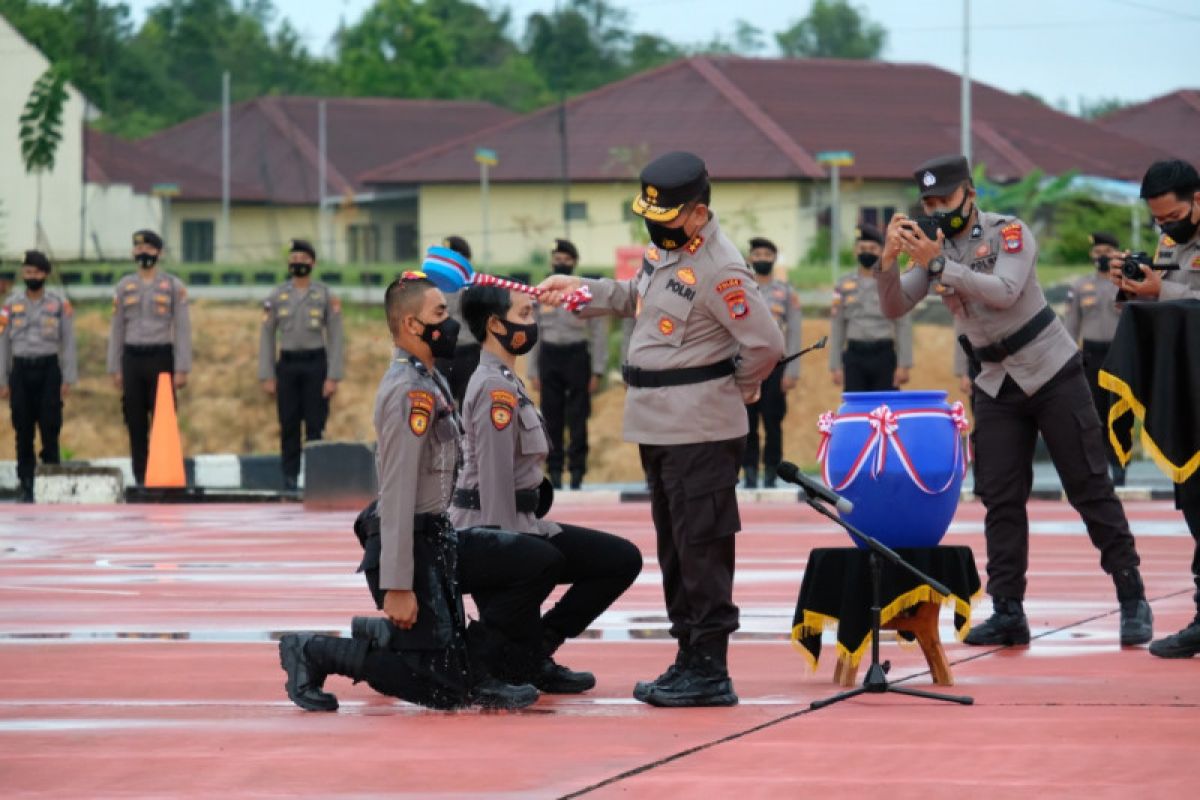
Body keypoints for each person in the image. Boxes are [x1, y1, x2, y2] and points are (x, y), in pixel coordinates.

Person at [875, 154, 1153, 648]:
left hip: (1051, 369)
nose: (938, 211)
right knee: (1000, 497)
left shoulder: (1009, 232)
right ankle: (1008, 609)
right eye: (929, 203)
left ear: (970, 195)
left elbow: (1003, 291)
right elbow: (895, 305)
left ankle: (1132, 595)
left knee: (1088, 484)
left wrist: (938, 264)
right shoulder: (933, 249)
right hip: (996, 381)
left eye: (946, 200)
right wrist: (889, 264)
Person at [538, 151, 785, 706]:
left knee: (702, 549)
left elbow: (766, 345)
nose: (655, 224)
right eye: (649, 214)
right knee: (676, 551)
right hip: (659, 425)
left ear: (697, 214)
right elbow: (635, 296)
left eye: (666, 215)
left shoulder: (722, 268)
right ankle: (688, 656)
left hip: (699, 427)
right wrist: (580, 288)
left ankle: (710, 669)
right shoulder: (669, 248)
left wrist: (738, 387)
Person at [279, 274, 565, 712]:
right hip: (409, 542)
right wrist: (397, 584)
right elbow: (395, 494)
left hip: (436, 536)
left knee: (533, 564)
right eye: (439, 314)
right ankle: (314, 651)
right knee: (443, 689)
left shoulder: (429, 380)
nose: (450, 323)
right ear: (412, 325)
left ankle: (408, 644)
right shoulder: (409, 391)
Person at [450, 284, 642, 692]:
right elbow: (494, 480)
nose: (532, 323)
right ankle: (515, 656)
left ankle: (536, 647)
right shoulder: (493, 388)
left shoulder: (508, 380)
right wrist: (509, 552)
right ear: (494, 324)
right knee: (544, 562)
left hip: (524, 520)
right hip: (491, 526)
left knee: (620, 560)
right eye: (523, 314)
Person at [1107, 159, 1200, 658]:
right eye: (1158, 220)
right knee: (1195, 504)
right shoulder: (1172, 246)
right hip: (1185, 391)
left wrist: (1161, 290)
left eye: (1172, 216)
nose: (1165, 227)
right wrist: (1131, 289)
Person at [106, 230, 192, 486]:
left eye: (149, 249)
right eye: (139, 249)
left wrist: (183, 367)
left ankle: (160, 475)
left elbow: (183, 328)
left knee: (162, 420)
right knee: (134, 420)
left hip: (161, 358)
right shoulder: (124, 287)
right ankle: (141, 476)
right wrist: (115, 367)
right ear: (133, 253)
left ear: (159, 253)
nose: (143, 253)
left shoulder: (173, 286)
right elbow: (117, 328)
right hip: (132, 358)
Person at [259, 239, 345, 491]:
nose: (298, 264)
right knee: (288, 423)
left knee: (316, 424)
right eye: (294, 259)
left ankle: (315, 479)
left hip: (315, 364)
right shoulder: (276, 295)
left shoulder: (325, 295)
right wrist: (267, 374)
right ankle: (289, 478)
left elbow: (336, 337)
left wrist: (333, 376)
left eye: (303, 260)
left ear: (313, 263)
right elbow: (266, 335)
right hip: (287, 365)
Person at [527, 240, 608, 490]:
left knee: (577, 417)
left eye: (566, 259)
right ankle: (554, 471)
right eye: (557, 258)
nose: (561, 262)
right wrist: (533, 370)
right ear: (551, 261)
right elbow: (535, 331)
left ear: (574, 262)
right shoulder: (542, 293)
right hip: (549, 356)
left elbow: (598, 332)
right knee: (550, 418)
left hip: (577, 356)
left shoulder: (584, 292)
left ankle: (576, 472)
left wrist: (598, 370)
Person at [0, 250, 77, 503]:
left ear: (44, 274)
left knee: (50, 425)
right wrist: (2, 379)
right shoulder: (11, 305)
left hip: (48, 371)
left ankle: (52, 479)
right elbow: (3, 345)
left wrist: (67, 377)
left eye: (35, 272)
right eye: (27, 272)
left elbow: (68, 343)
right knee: (23, 428)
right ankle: (26, 483)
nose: (30, 276)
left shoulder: (58, 304)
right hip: (21, 371)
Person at [1063, 232, 1128, 486]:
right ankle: (1100, 464)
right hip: (1091, 355)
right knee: (1093, 411)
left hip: (1120, 353)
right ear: (1092, 255)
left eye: (1108, 252)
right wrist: (1069, 355)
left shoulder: (1125, 282)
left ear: (1116, 253)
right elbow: (1071, 325)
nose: (1102, 257)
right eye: (1098, 252)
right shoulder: (1081, 286)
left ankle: (1120, 463)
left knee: (1120, 409)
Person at [742, 237, 800, 489]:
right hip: (746, 366)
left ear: (774, 259)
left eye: (767, 254)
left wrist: (793, 370)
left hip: (776, 367)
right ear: (750, 259)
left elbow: (795, 332)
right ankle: (750, 471)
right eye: (757, 254)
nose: (762, 258)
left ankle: (771, 474)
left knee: (773, 422)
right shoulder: (740, 290)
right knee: (747, 423)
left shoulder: (786, 292)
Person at [830, 225, 914, 392]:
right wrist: (835, 365)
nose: (866, 252)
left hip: (884, 356)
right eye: (862, 248)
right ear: (855, 251)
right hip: (854, 357)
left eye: (872, 248)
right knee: (856, 411)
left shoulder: (892, 283)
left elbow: (903, 324)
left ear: (882, 251)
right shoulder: (842, 285)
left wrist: (904, 364)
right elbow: (837, 325)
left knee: (885, 411)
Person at [437, 235, 481, 406]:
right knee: (441, 406)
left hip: (469, 352)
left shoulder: (474, 285)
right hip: (442, 353)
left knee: (469, 404)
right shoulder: (435, 286)